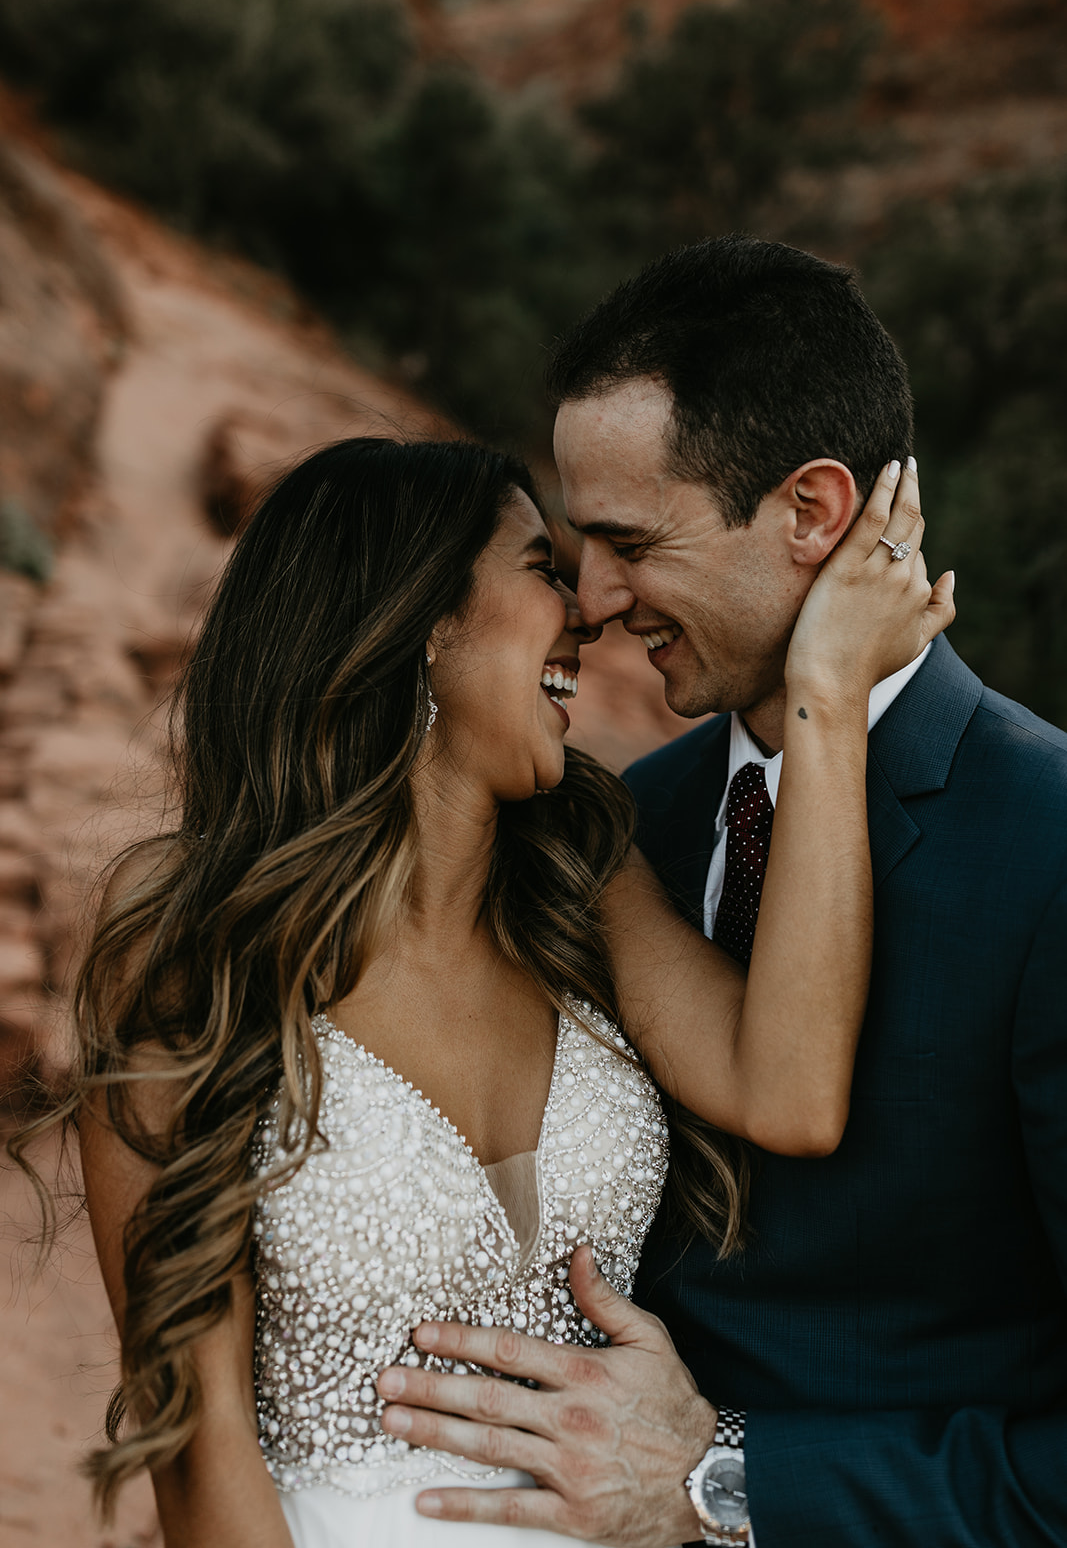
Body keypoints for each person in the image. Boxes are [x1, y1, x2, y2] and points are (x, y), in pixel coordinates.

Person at [12, 431, 947, 1548]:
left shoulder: (584, 879)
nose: (587, 611)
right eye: (542, 568)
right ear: (417, 625)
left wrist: (826, 695)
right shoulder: (189, 951)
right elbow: (198, 1431)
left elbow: (789, 1089)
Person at [375, 238, 1067, 1548]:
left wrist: (727, 1482)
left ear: (810, 512)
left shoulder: (1045, 848)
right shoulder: (636, 818)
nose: (589, 599)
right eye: (577, 548)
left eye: (628, 541)